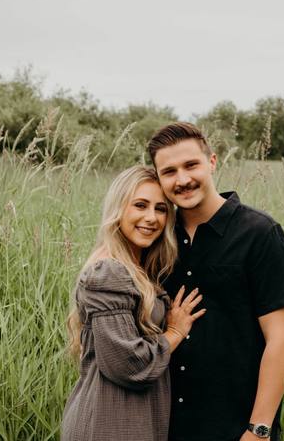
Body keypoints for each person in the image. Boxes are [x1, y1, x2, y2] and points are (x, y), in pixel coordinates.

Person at [147, 123, 284, 441]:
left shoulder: (260, 234)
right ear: (159, 178)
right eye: (169, 172)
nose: (183, 180)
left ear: (212, 162)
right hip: (167, 428)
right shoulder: (157, 239)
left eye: (191, 165)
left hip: (236, 429)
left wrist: (258, 431)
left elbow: (282, 338)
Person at [61, 165, 206, 441]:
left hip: (129, 419)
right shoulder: (109, 271)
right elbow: (129, 365)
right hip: (109, 424)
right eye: (140, 205)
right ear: (118, 208)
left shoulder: (137, 268)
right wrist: (175, 332)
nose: (151, 218)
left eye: (161, 209)